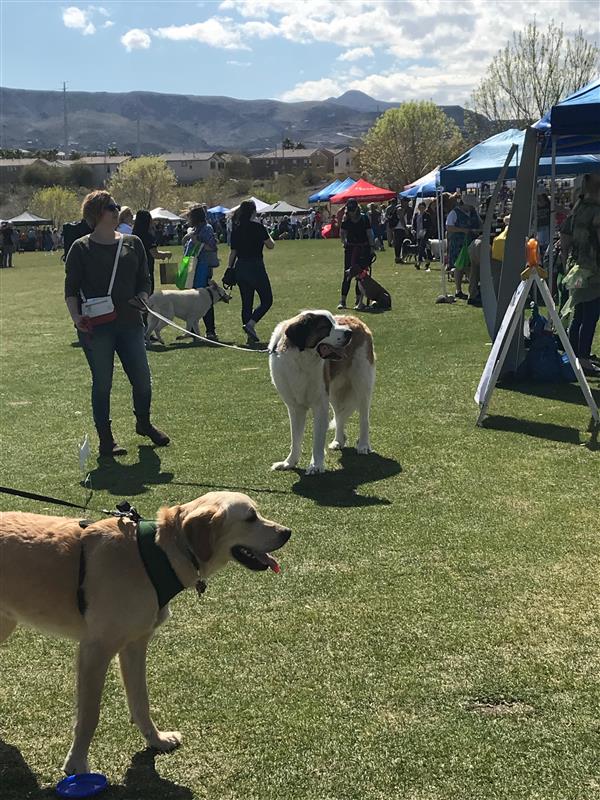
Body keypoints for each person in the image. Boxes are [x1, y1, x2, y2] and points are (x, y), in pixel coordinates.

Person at [65, 190, 169, 456]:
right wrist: (76, 318)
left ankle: (143, 423)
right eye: (112, 207)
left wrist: (143, 296)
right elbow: (71, 289)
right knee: (102, 383)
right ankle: (106, 439)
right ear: (98, 214)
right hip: (96, 326)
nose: (118, 210)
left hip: (131, 323)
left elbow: (144, 279)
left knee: (142, 379)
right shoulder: (81, 248)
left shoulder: (133, 243)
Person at [561, 174, 600, 377]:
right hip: (593, 270)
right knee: (590, 315)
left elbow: (565, 237)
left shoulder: (577, 209)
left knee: (579, 314)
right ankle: (582, 360)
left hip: (575, 267)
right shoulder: (595, 211)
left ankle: (575, 356)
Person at [228, 199, 274, 343]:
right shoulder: (258, 227)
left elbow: (233, 252)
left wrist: (230, 268)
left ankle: (250, 336)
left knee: (246, 303)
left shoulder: (236, 228)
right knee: (267, 299)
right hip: (256, 266)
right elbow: (270, 245)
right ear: (253, 212)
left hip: (241, 267)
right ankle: (251, 324)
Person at [182, 204, 219, 340]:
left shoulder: (207, 229)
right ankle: (192, 330)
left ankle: (210, 330)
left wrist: (197, 242)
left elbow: (212, 247)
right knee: (192, 299)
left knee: (205, 299)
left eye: (190, 217)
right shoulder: (192, 229)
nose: (188, 219)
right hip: (192, 268)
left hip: (203, 267)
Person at [338, 199, 375, 310]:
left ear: (356, 209)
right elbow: (342, 233)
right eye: (349, 211)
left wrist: (372, 247)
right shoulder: (346, 220)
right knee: (347, 274)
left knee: (361, 275)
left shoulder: (364, 218)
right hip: (350, 249)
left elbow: (369, 233)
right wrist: (344, 241)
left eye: (353, 210)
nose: (351, 213)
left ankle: (358, 301)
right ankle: (343, 301)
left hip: (363, 248)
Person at [446, 193, 481, 300]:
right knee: (459, 266)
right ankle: (458, 290)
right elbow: (449, 227)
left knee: (471, 266)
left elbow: (480, 224)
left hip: (471, 242)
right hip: (458, 243)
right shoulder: (454, 213)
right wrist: (463, 230)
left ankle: (473, 290)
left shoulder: (474, 213)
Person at [131, 209, 171, 296]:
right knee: (147, 294)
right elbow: (155, 254)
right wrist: (166, 254)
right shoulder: (148, 237)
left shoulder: (132, 235)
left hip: (134, 269)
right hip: (147, 269)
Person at [412, 201, 433, 270]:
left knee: (421, 247)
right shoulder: (416, 215)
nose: (421, 208)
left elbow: (430, 225)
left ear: (425, 208)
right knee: (420, 248)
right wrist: (413, 230)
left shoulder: (427, 215)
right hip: (418, 233)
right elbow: (414, 224)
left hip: (425, 234)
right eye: (420, 207)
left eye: (422, 207)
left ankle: (419, 262)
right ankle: (427, 260)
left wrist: (427, 232)